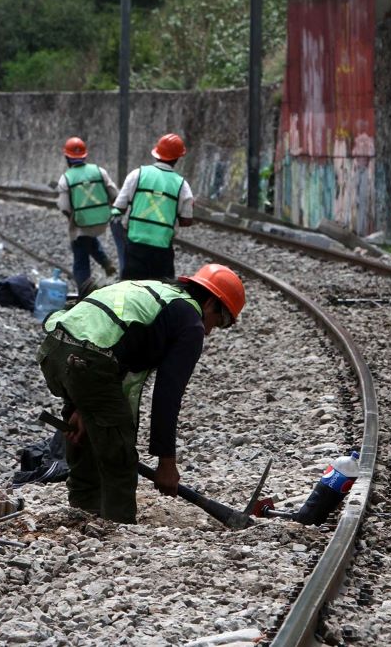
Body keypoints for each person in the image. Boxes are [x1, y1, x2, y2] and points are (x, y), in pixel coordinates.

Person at [35, 263, 246, 524]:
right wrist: (166, 463)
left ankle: (83, 515)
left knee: (85, 436)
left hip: (55, 349)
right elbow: (167, 396)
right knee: (119, 454)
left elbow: (111, 346)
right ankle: (117, 526)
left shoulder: (158, 295)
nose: (210, 330)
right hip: (89, 360)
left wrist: (82, 405)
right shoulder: (190, 321)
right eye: (220, 321)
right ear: (211, 302)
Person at [113, 133, 195, 280]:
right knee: (161, 292)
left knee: (130, 288)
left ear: (156, 154)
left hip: (135, 245)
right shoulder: (182, 185)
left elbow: (119, 207)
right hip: (162, 249)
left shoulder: (137, 175)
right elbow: (186, 220)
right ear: (177, 159)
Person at [55, 137, 119, 290]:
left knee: (80, 260)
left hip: (81, 223)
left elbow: (64, 206)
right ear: (84, 155)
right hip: (102, 221)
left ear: (67, 158)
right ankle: (105, 262)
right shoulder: (99, 171)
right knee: (88, 238)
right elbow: (115, 194)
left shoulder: (66, 178)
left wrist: (74, 217)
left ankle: (85, 293)